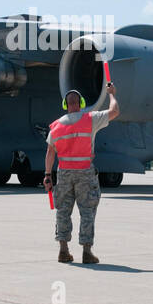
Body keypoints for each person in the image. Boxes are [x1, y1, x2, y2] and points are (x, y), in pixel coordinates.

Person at [44, 82, 119, 263]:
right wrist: (111, 94)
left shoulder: (56, 126)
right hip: (85, 172)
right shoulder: (90, 119)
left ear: (65, 104)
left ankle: (63, 250)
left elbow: (50, 152)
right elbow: (114, 111)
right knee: (87, 211)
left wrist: (47, 175)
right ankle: (86, 252)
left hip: (64, 174)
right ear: (81, 103)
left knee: (63, 211)